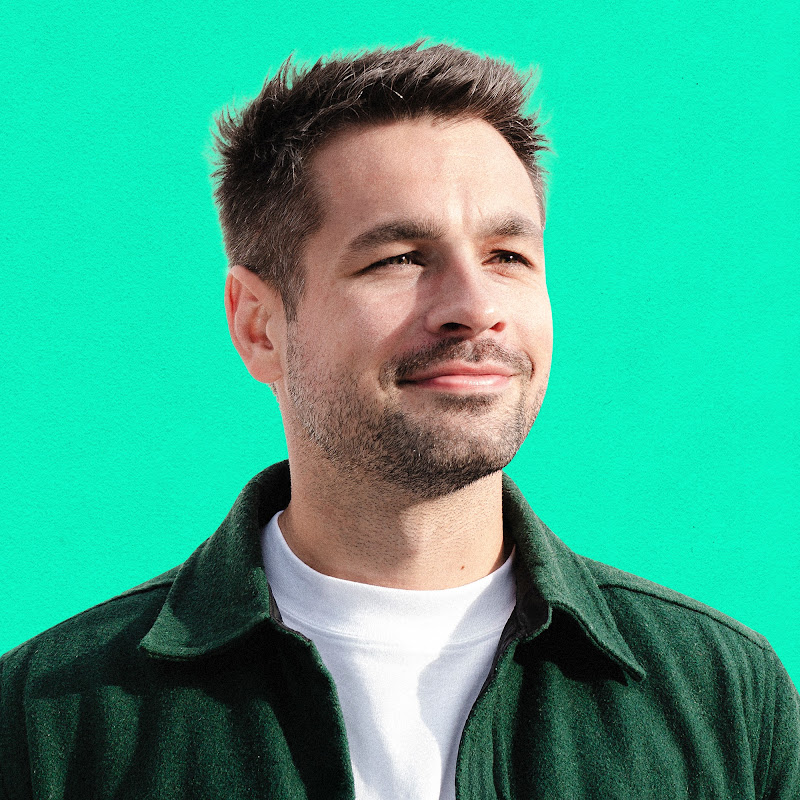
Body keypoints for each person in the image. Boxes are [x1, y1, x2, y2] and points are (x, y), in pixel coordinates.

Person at [1, 40, 797, 800]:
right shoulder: (51, 721)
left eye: (507, 256)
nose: (475, 307)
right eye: (399, 258)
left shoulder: (722, 693)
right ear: (258, 325)